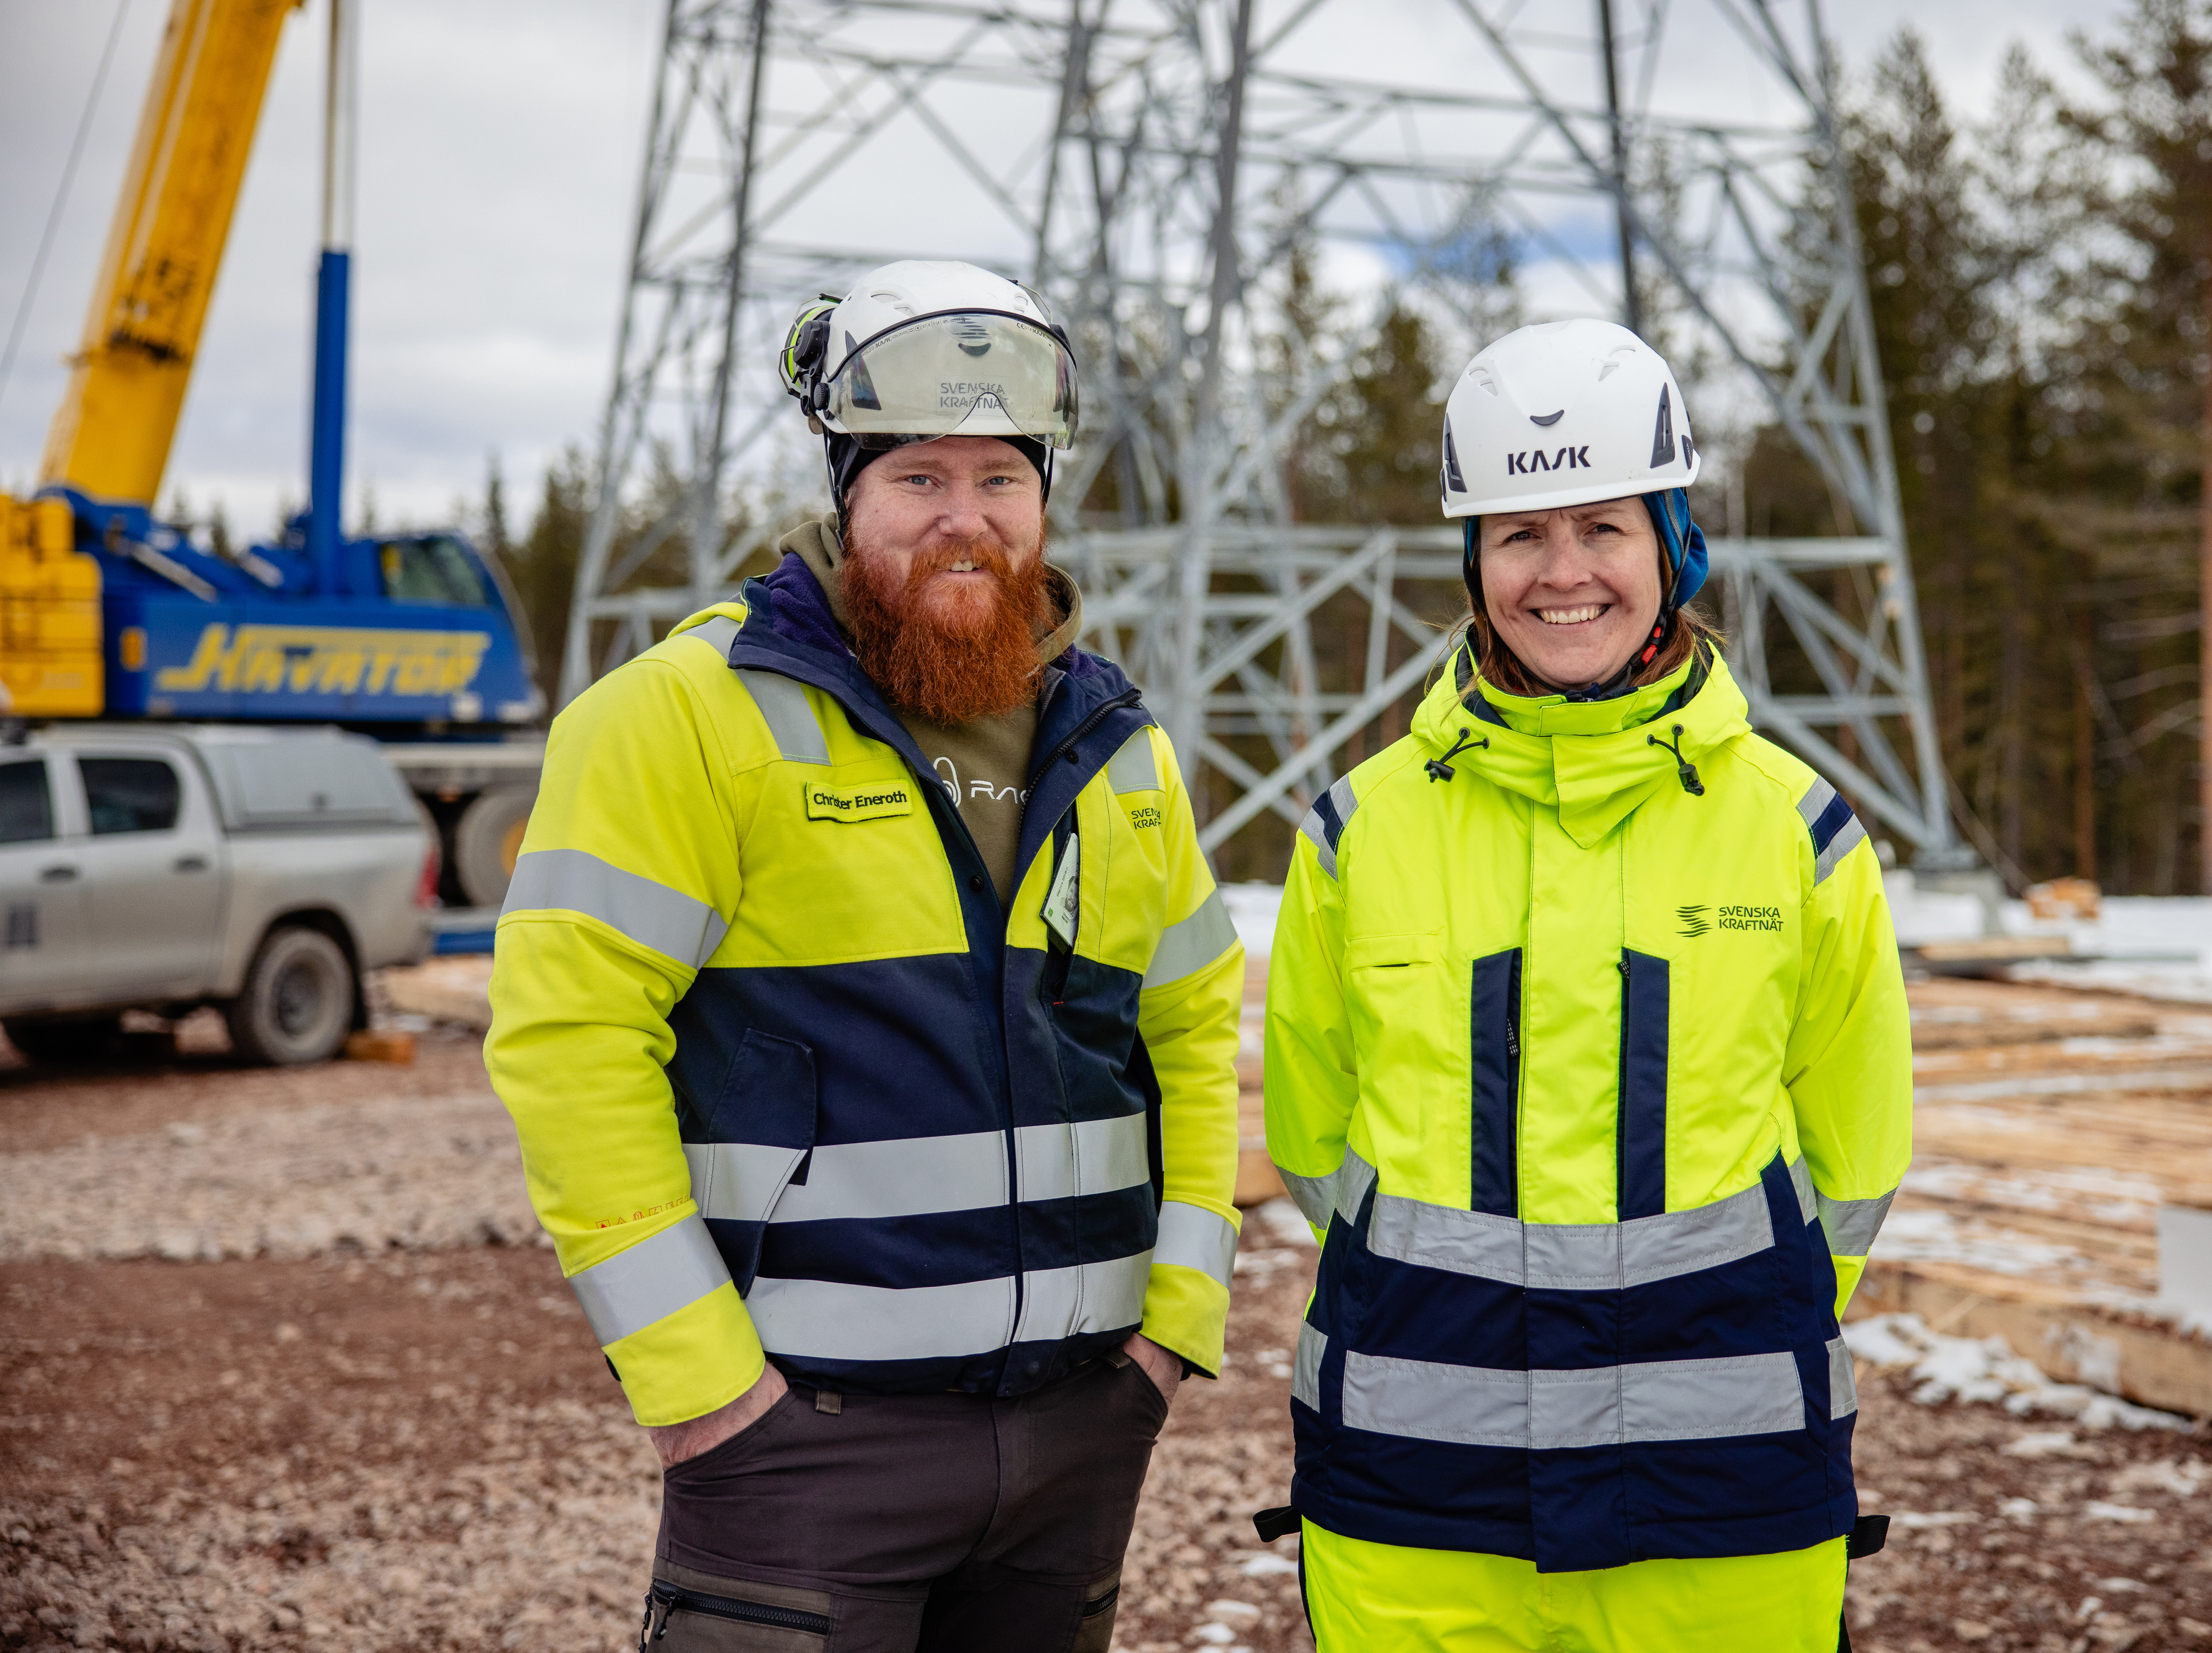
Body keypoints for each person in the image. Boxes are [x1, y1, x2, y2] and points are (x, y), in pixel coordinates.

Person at [485, 259, 1244, 1651]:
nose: (966, 521)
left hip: (1081, 1435)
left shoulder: (1116, 747)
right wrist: (703, 1388)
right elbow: (570, 1043)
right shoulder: (683, 721)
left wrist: (1173, 1326)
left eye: (1002, 481)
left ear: (1044, 499)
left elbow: (1195, 1030)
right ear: (846, 497)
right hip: (804, 1449)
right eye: (918, 478)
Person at [1259, 318, 1911, 1651]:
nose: (1564, 575)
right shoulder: (1358, 834)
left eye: (1604, 528)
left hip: (1724, 1481)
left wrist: (1725, 1320)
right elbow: (1317, 1142)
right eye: (1519, 536)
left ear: (1672, 547)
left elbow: (1852, 1155)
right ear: (1473, 561)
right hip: (1414, 1482)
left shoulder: (1798, 832)